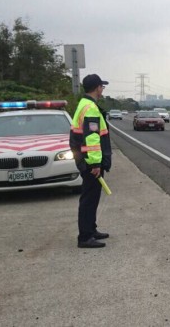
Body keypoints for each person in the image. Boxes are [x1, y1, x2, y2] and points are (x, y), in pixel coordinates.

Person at [69, 74, 113, 248]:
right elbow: (92, 137)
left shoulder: (83, 105)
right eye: (102, 86)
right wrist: (95, 164)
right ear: (97, 88)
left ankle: (91, 229)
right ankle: (85, 237)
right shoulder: (91, 109)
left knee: (92, 197)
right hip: (90, 161)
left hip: (84, 158)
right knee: (89, 199)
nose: (102, 89)